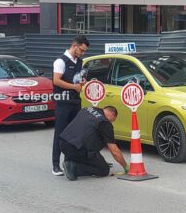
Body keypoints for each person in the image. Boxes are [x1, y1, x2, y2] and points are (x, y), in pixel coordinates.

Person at [51, 35, 90, 176]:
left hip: (75, 101)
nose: (83, 53)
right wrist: (74, 87)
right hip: (62, 101)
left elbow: (77, 78)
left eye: (84, 51)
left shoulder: (80, 61)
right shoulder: (60, 61)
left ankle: (69, 162)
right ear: (75, 46)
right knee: (60, 133)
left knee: (73, 133)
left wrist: (81, 81)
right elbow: (56, 81)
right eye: (82, 50)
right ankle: (55, 165)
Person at [59, 106, 129, 181]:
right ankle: (74, 167)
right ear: (112, 114)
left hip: (63, 143)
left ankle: (71, 160)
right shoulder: (104, 123)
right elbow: (114, 151)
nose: (111, 122)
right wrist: (126, 167)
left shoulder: (88, 109)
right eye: (113, 120)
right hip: (76, 149)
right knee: (103, 170)